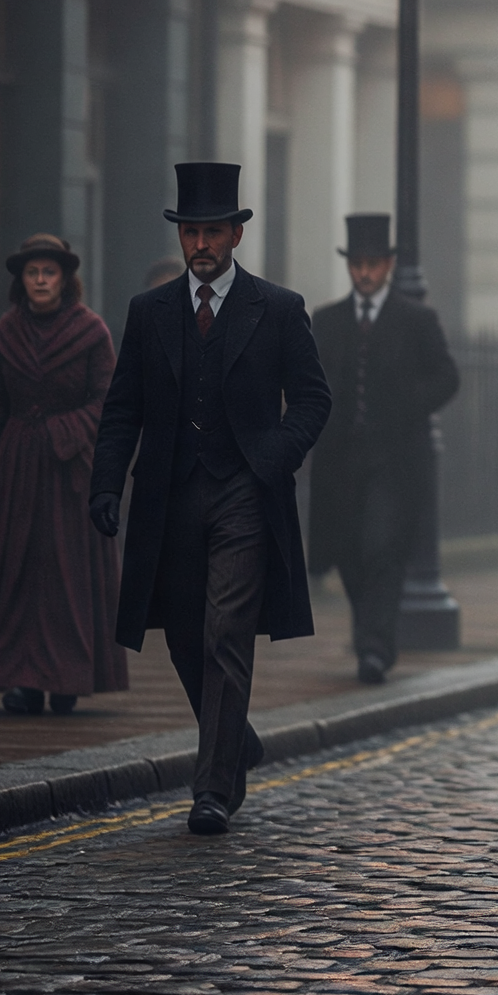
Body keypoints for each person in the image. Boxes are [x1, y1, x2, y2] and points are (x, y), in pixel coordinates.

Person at [89, 163, 331, 835]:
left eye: (213, 231)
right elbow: (122, 411)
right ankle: (236, 741)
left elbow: (314, 399)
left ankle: (213, 789)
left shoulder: (277, 309)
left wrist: (273, 460)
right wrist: (107, 483)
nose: (202, 243)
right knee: (185, 637)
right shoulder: (149, 312)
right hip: (169, 497)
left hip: (245, 497)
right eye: (192, 231)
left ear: (235, 236)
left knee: (227, 631)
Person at [0, 234, 126, 716]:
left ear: (64, 278)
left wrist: (65, 430)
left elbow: (107, 402)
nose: (39, 280)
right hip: (17, 471)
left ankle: (66, 679)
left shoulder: (92, 331)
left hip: (70, 470)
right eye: (32, 273)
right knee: (19, 575)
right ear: (22, 280)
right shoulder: (6, 333)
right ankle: (24, 682)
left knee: (66, 577)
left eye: (48, 272)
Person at [306, 214, 459, 685]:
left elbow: (447, 378)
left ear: (389, 265)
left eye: (373, 263)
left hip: (394, 463)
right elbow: (310, 383)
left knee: (381, 548)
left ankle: (375, 648)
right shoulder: (326, 321)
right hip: (340, 463)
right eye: (358, 264)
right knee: (349, 553)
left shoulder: (416, 319)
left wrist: (409, 406)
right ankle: (368, 635)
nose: (365, 273)